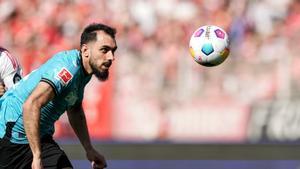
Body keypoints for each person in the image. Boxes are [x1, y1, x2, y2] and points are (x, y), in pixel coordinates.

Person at [0, 23, 117, 169]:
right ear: (86, 50)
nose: (111, 57)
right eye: (104, 50)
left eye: (113, 51)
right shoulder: (67, 70)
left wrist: (89, 149)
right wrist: (37, 157)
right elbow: (31, 105)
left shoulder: (83, 73)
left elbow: (74, 110)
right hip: (11, 138)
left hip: (39, 137)